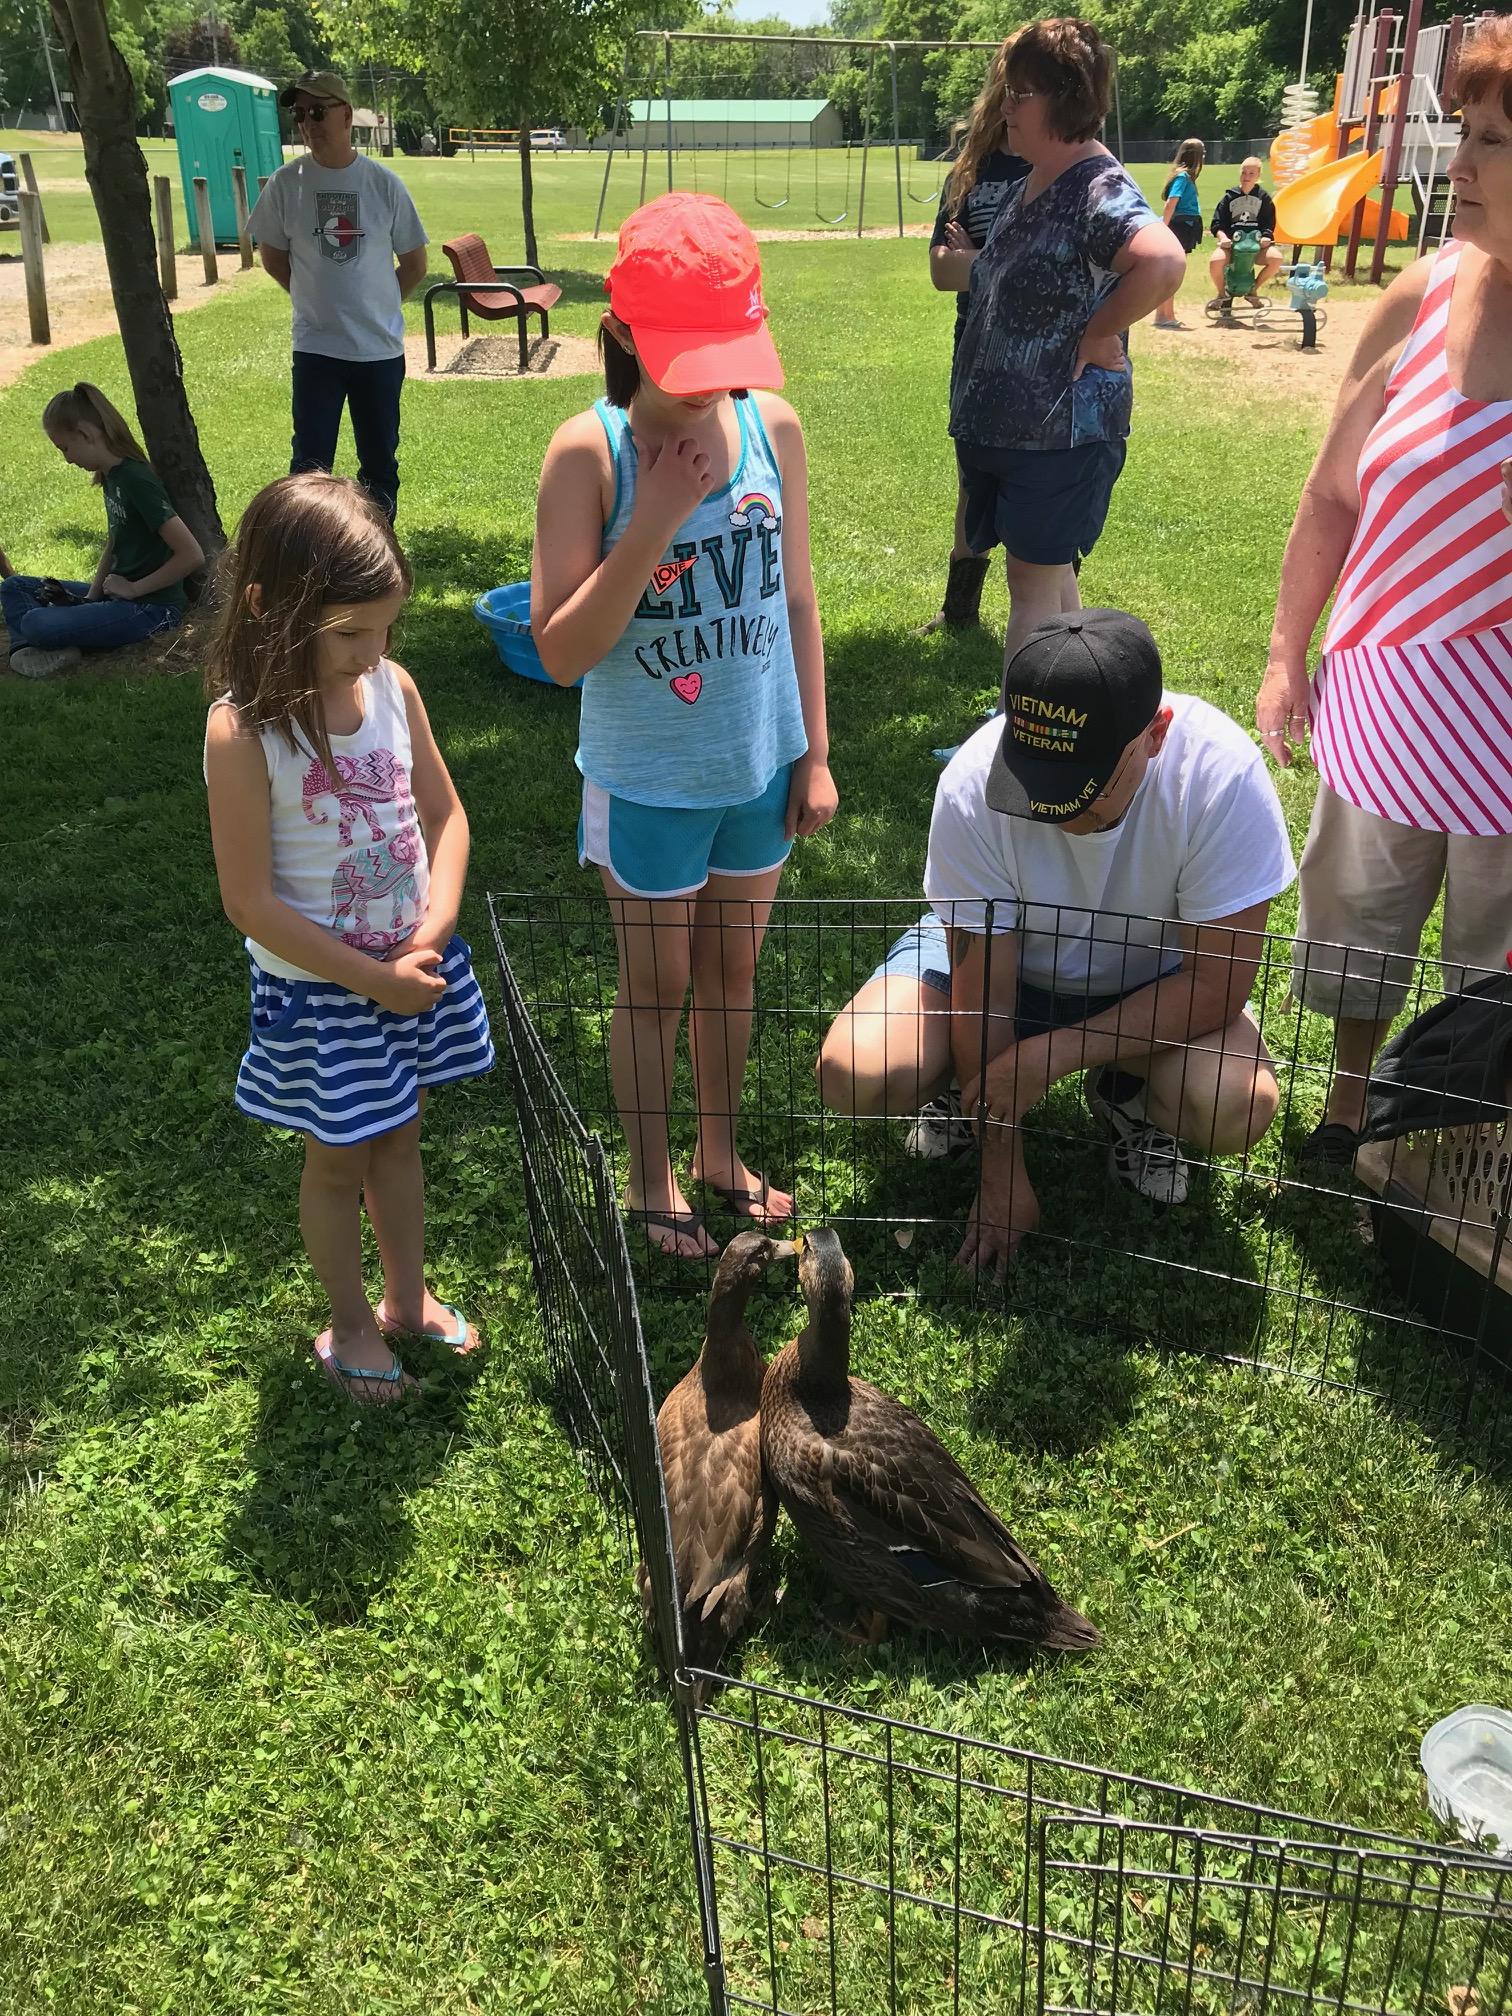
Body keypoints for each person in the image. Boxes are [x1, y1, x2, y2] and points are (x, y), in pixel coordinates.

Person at [532, 192, 838, 1260]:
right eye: (685, 358)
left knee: (732, 976)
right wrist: (654, 519)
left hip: (755, 765)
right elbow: (562, 650)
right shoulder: (591, 455)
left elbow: (796, 601)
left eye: (728, 353)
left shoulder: (772, 429)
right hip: (649, 780)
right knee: (654, 987)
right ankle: (652, 1173)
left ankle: (717, 1151)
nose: (713, 384)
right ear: (619, 337)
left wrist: (815, 753)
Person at [818, 610, 1296, 1278]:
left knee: (1233, 1103)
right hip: (1003, 971)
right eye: (1038, 779)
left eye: (1084, 789)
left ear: (1155, 736)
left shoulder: (1222, 779)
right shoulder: (973, 781)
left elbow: (1217, 985)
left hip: (1148, 983)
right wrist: (1001, 1173)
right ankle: (965, 1088)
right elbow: (981, 987)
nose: (1056, 812)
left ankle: (1127, 1095)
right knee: (855, 1072)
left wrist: (1055, 1054)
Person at [1256, 14, 1512, 1164]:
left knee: (1495, 967)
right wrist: (1283, 652)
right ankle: (1348, 1111)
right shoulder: (1418, 293)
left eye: (1496, 143)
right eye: (1466, 131)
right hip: (1387, 697)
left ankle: (1470, 1162)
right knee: (1359, 931)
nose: (1459, 165)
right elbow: (1331, 495)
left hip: (1505, 726)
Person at [203, 472, 494, 1403]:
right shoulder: (243, 732)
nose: (373, 651)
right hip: (325, 992)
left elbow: (446, 818)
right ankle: (352, 1323)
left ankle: (407, 1299)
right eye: (351, 632)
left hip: (412, 969)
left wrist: (433, 934)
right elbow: (249, 900)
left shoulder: (393, 687)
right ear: (267, 607)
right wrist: (374, 980)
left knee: (399, 1136)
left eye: (384, 629)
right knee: (337, 1161)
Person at [949, 19, 1186, 672]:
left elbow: (1163, 262)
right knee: (1052, 587)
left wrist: (1097, 330)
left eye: (1018, 94)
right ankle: (1077, 713)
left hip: (1059, 436)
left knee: (1030, 589)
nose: (1004, 108)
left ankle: (1017, 747)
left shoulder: (1097, 188)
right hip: (1019, 434)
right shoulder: (1038, 179)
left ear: (1062, 98)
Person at [247, 71, 428, 522]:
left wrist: (377, 307)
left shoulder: (383, 184)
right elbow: (273, 258)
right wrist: (314, 302)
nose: (308, 123)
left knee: (380, 467)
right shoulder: (286, 184)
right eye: (300, 114)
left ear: (346, 115)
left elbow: (415, 264)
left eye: (318, 112)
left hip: (378, 352)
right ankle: (305, 562)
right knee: (309, 471)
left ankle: (375, 563)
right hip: (317, 350)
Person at [918, 45, 1029, 636]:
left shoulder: (1062, 166)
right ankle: (959, 611)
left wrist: (979, 258)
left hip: (1043, 359)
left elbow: (1059, 271)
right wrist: (1004, 263)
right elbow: (941, 271)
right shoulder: (971, 170)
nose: (1014, 100)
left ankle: (1042, 617)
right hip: (977, 349)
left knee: (1037, 482)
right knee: (974, 478)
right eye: (1009, 86)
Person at [0, 382, 203, 681]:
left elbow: (192, 555)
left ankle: (42, 642)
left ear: (86, 433)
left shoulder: (136, 480)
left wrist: (134, 589)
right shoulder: (111, 477)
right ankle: (31, 651)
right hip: (116, 596)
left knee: (36, 623)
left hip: (152, 610)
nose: (67, 459)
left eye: (65, 448)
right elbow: (114, 541)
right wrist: (92, 596)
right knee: (14, 586)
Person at [1209, 156, 1284, 305]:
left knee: (1276, 259)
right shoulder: (1230, 196)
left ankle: (1253, 289)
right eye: (1244, 173)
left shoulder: (1264, 198)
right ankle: (1221, 294)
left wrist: (1266, 236)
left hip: (1255, 246)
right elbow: (1217, 223)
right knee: (1215, 261)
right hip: (1232, 245)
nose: (1246, 177)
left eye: (1251, 173)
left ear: (1258, 175)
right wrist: (1223, 238)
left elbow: (1269, 223)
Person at [1153, 138, 1205, 329]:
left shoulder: (1185, 177)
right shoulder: (1182, 177)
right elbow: (1171, 204)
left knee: (1172, 271)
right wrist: (1164, 229)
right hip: (1179, 227)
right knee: (1172, 272)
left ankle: (1166, 314)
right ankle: (1163, 315)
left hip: (1185, 226)